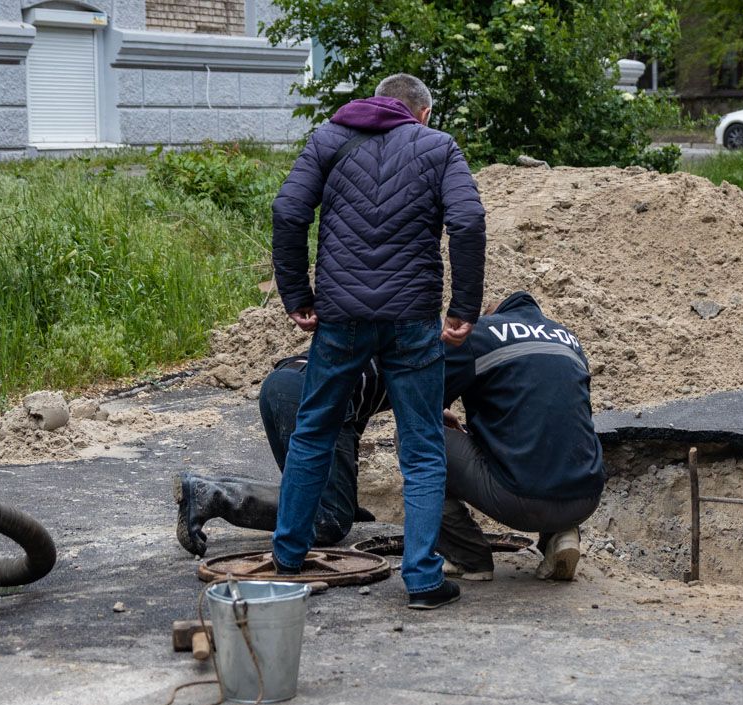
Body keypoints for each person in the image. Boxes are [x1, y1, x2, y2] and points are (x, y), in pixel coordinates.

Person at [174, 293, 605, 583]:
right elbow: (411, 400)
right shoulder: (569, 341)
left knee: (389, 462)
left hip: (300, 380)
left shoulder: (467, 338)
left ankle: (477, 554)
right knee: (329, 520)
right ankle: (214, 495)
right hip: (586, 491)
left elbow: (415, 400)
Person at [271, 72, 485, 610]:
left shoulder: (329, 138)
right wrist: (463, 310)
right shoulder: (438, 148)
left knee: (313, 430)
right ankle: (422, 580)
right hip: (412, 317)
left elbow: (289, 210)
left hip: (341, 315)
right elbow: (468, 220)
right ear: (422, 112)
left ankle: (288, 557)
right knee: (421, 447)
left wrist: (297, 293)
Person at [439, 291, 605, 581]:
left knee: (415, 437)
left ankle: (468, 557)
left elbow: (425, 397)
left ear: (492, 314)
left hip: (520, 500)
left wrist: (441, 412)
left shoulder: (480, 334)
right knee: (546, 432)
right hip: (586, 496)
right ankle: (562, 534)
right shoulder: (568, 338)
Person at [173, 355, 386, 557]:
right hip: (311, 396)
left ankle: (205, 488)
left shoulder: (385, 343)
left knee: (309, 494)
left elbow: (349, 432)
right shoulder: (412, 369)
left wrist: (345, 495)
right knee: (329, 519)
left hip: (281, 384)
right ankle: (214, 497)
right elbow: (415, 450)